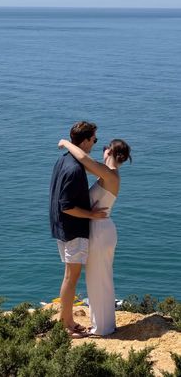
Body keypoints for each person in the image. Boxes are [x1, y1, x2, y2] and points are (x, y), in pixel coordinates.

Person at [58, 138, 132, 336]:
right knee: (100, 279)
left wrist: (66, 142)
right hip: (101, 229)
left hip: (100, 231)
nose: (103, 149)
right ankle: (104, 325)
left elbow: (83, 157)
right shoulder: (106, 174)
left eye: (105, 147)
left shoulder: (109, 174)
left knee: (98, 279)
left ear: (109, 152)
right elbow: (83, 164)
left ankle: (102, 329)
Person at [50, 121, 108, 338]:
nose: (95, 142)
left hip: (61, 228)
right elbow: (67, 206)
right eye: (94, 139)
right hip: (73, 230)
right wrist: (92, 215)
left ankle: (67, 320)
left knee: (68, 276)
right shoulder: (75, 170)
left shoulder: (64, 160)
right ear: (85, 141)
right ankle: (65, 325)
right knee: (70, 278)